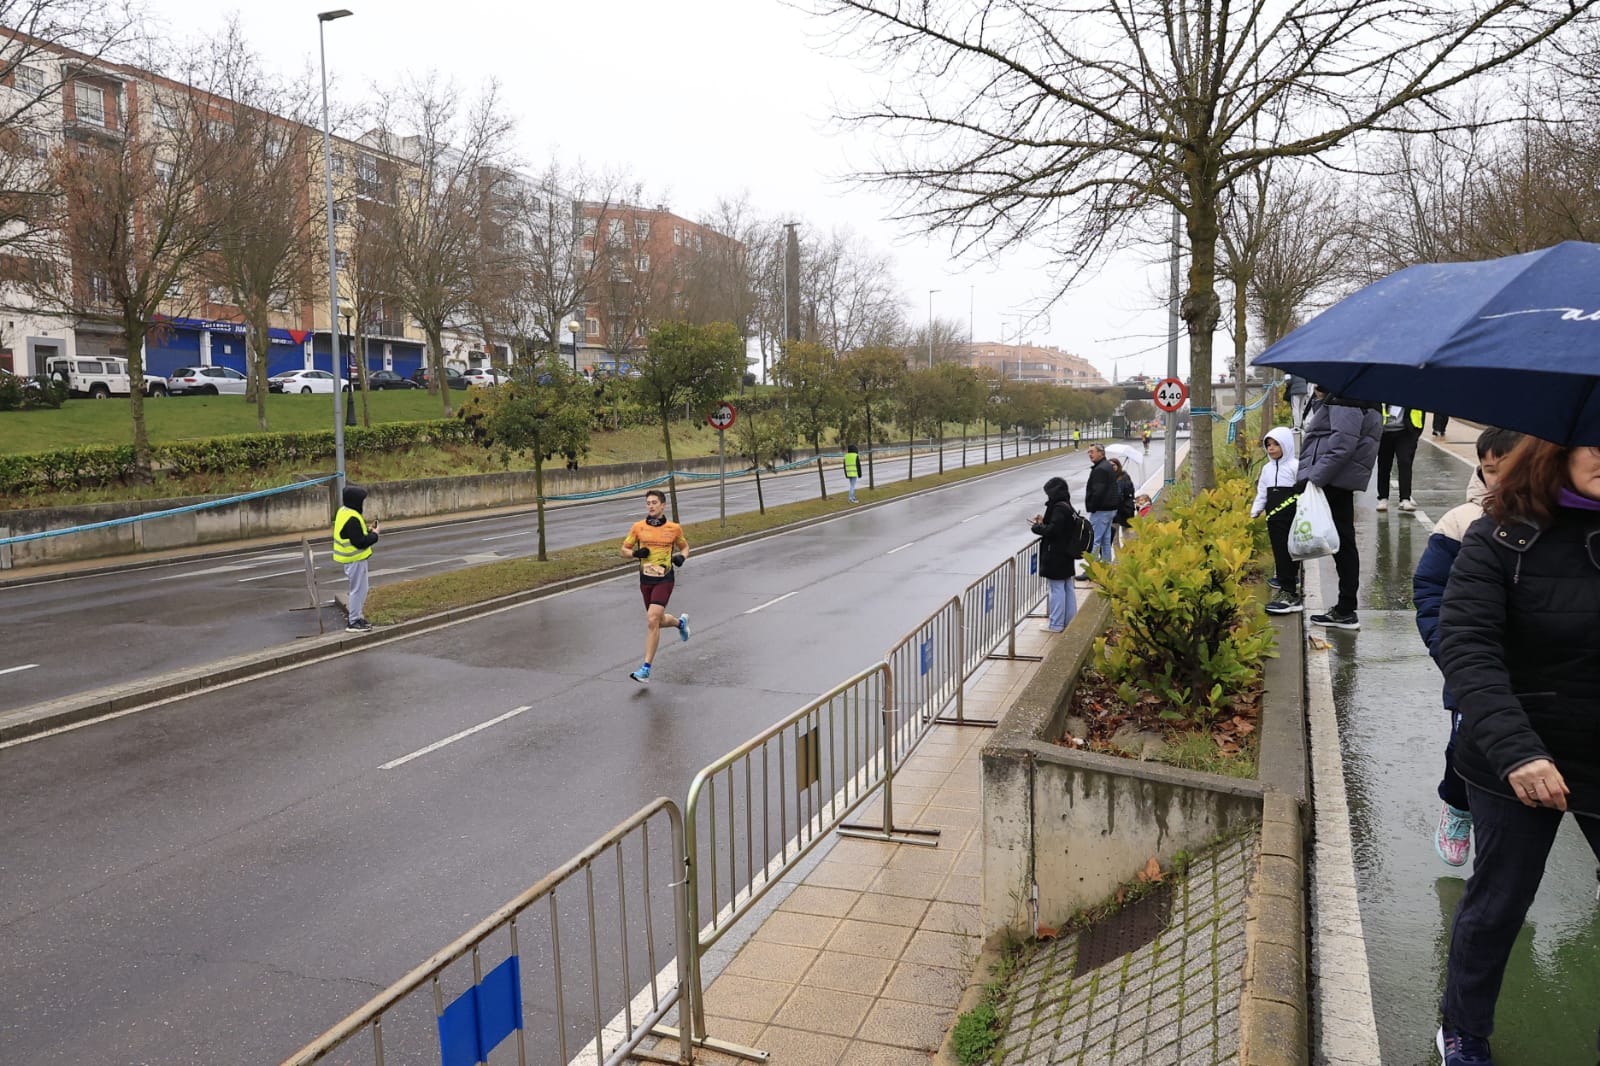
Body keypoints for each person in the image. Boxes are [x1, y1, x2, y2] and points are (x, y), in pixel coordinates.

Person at [1433, 436, 1600, 1065]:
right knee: (1499, 901)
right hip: (1516, 755)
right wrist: (1518, 752)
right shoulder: (1497, 537)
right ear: (1556, 449)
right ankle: (1463, 1029)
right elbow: (1468, 646)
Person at [1413, 427, 1522, 869]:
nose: (1498, 479)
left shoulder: (1565, 523)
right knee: (1468, 745)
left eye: (1508, 469)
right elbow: (1430, 590)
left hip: (1548, 675)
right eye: (1489, 470)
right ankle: (1458, 806)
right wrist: (1450, 651)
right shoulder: (1462, 522)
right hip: (1476, 670)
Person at [1296, 386, 1381, 630]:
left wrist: (1314, 479)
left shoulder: (1348, 399)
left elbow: (1341, 446)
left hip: (1332, 479)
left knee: (1341, 543)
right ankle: (1345, 608)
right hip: (1337, 477)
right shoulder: (1356, 396)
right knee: (1344, 542)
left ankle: (1344, 609)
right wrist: (1322, 399)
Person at [620, 488, 691, 683]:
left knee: (652, 619)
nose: (650, 506)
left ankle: (645, 669)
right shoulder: (638, 527)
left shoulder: (674, 528)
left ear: (663, 505)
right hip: (645, 580)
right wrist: (635, 554)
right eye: (648, 503)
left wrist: (682, 557)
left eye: (654, 503)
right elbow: (624, 550)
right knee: (657, 621)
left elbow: (685, 547)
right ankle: (680, 623)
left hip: (664, 579)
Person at [1252, 427, 1301, 614]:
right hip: (1273, 518)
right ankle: (1285, 582)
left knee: (1290, 551)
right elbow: (1262, 492)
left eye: (1276, 444)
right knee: (1279, 551)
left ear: (1286, 445)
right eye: (1268, 445)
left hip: (1292, 516)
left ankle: (1289, 591)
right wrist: (1256, 509)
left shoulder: (1295, 467)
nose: (1271, 448)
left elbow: (1304, 491)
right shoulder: (1267, 469)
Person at [1029, 476, 1081, 632]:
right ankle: (1070, 620)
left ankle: (1056, 623)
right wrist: (1045, 521)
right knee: (1067, 587)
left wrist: (1037, 527)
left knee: (1056, 588)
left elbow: (1053, 530)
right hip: (1067, 553)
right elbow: (1060, 525)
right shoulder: (1067, 506)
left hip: (1056, 553)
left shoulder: (1058, 508)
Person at [332, 484, 380, 633]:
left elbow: (354, 534)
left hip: (352, 560)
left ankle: (357, 618)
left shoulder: (344, 511)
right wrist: (375, 535)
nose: (362, 504)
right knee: (358, 591)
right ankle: (354, 622)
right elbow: (359, 542)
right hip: (355, 560)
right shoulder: (352, 518)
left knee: (360, 590)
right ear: (355, 502)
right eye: (361, 501)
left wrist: (367, 530)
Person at [1375, 405, 1426, 512]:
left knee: (1405, 461)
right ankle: (1383, 498)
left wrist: (1416, 432)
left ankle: (1405, 498)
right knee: (1384, 464)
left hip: (1406, 431)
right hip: (1384, 432)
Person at [1084, 444, 1119, 562]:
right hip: (1109, 509)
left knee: (1094, 540)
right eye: (1088, 452)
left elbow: (1098, 492)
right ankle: (1106, 565)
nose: (1090, 454)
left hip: (1101, 510)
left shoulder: (1100, 469)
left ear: (1101, 453)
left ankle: (1093, 568)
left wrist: (1092, 507)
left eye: (1092, 452)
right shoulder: (1107, 466)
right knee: (1105, 540)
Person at [1109, 457, 1136, 546]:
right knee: (1114, 537)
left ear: (1118, 465)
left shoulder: (1125, 477)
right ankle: (1118, 554)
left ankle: (1127, 552)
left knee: (1127, 535)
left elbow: (1129, 492)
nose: (1112, 467)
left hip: (1125, 510)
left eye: (1113, 465)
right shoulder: (1107, 478)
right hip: (1113, 511)